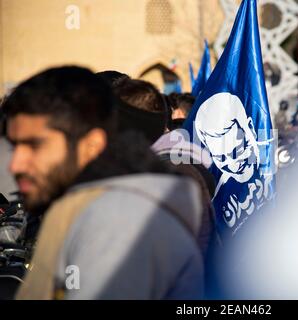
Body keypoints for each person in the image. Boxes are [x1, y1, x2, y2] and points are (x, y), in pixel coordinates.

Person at [3, 66, 204, 299]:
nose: (15, 165)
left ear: (92, 144)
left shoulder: (113, 220)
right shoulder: (77, 206)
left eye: (35, 145)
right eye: (15, 146)